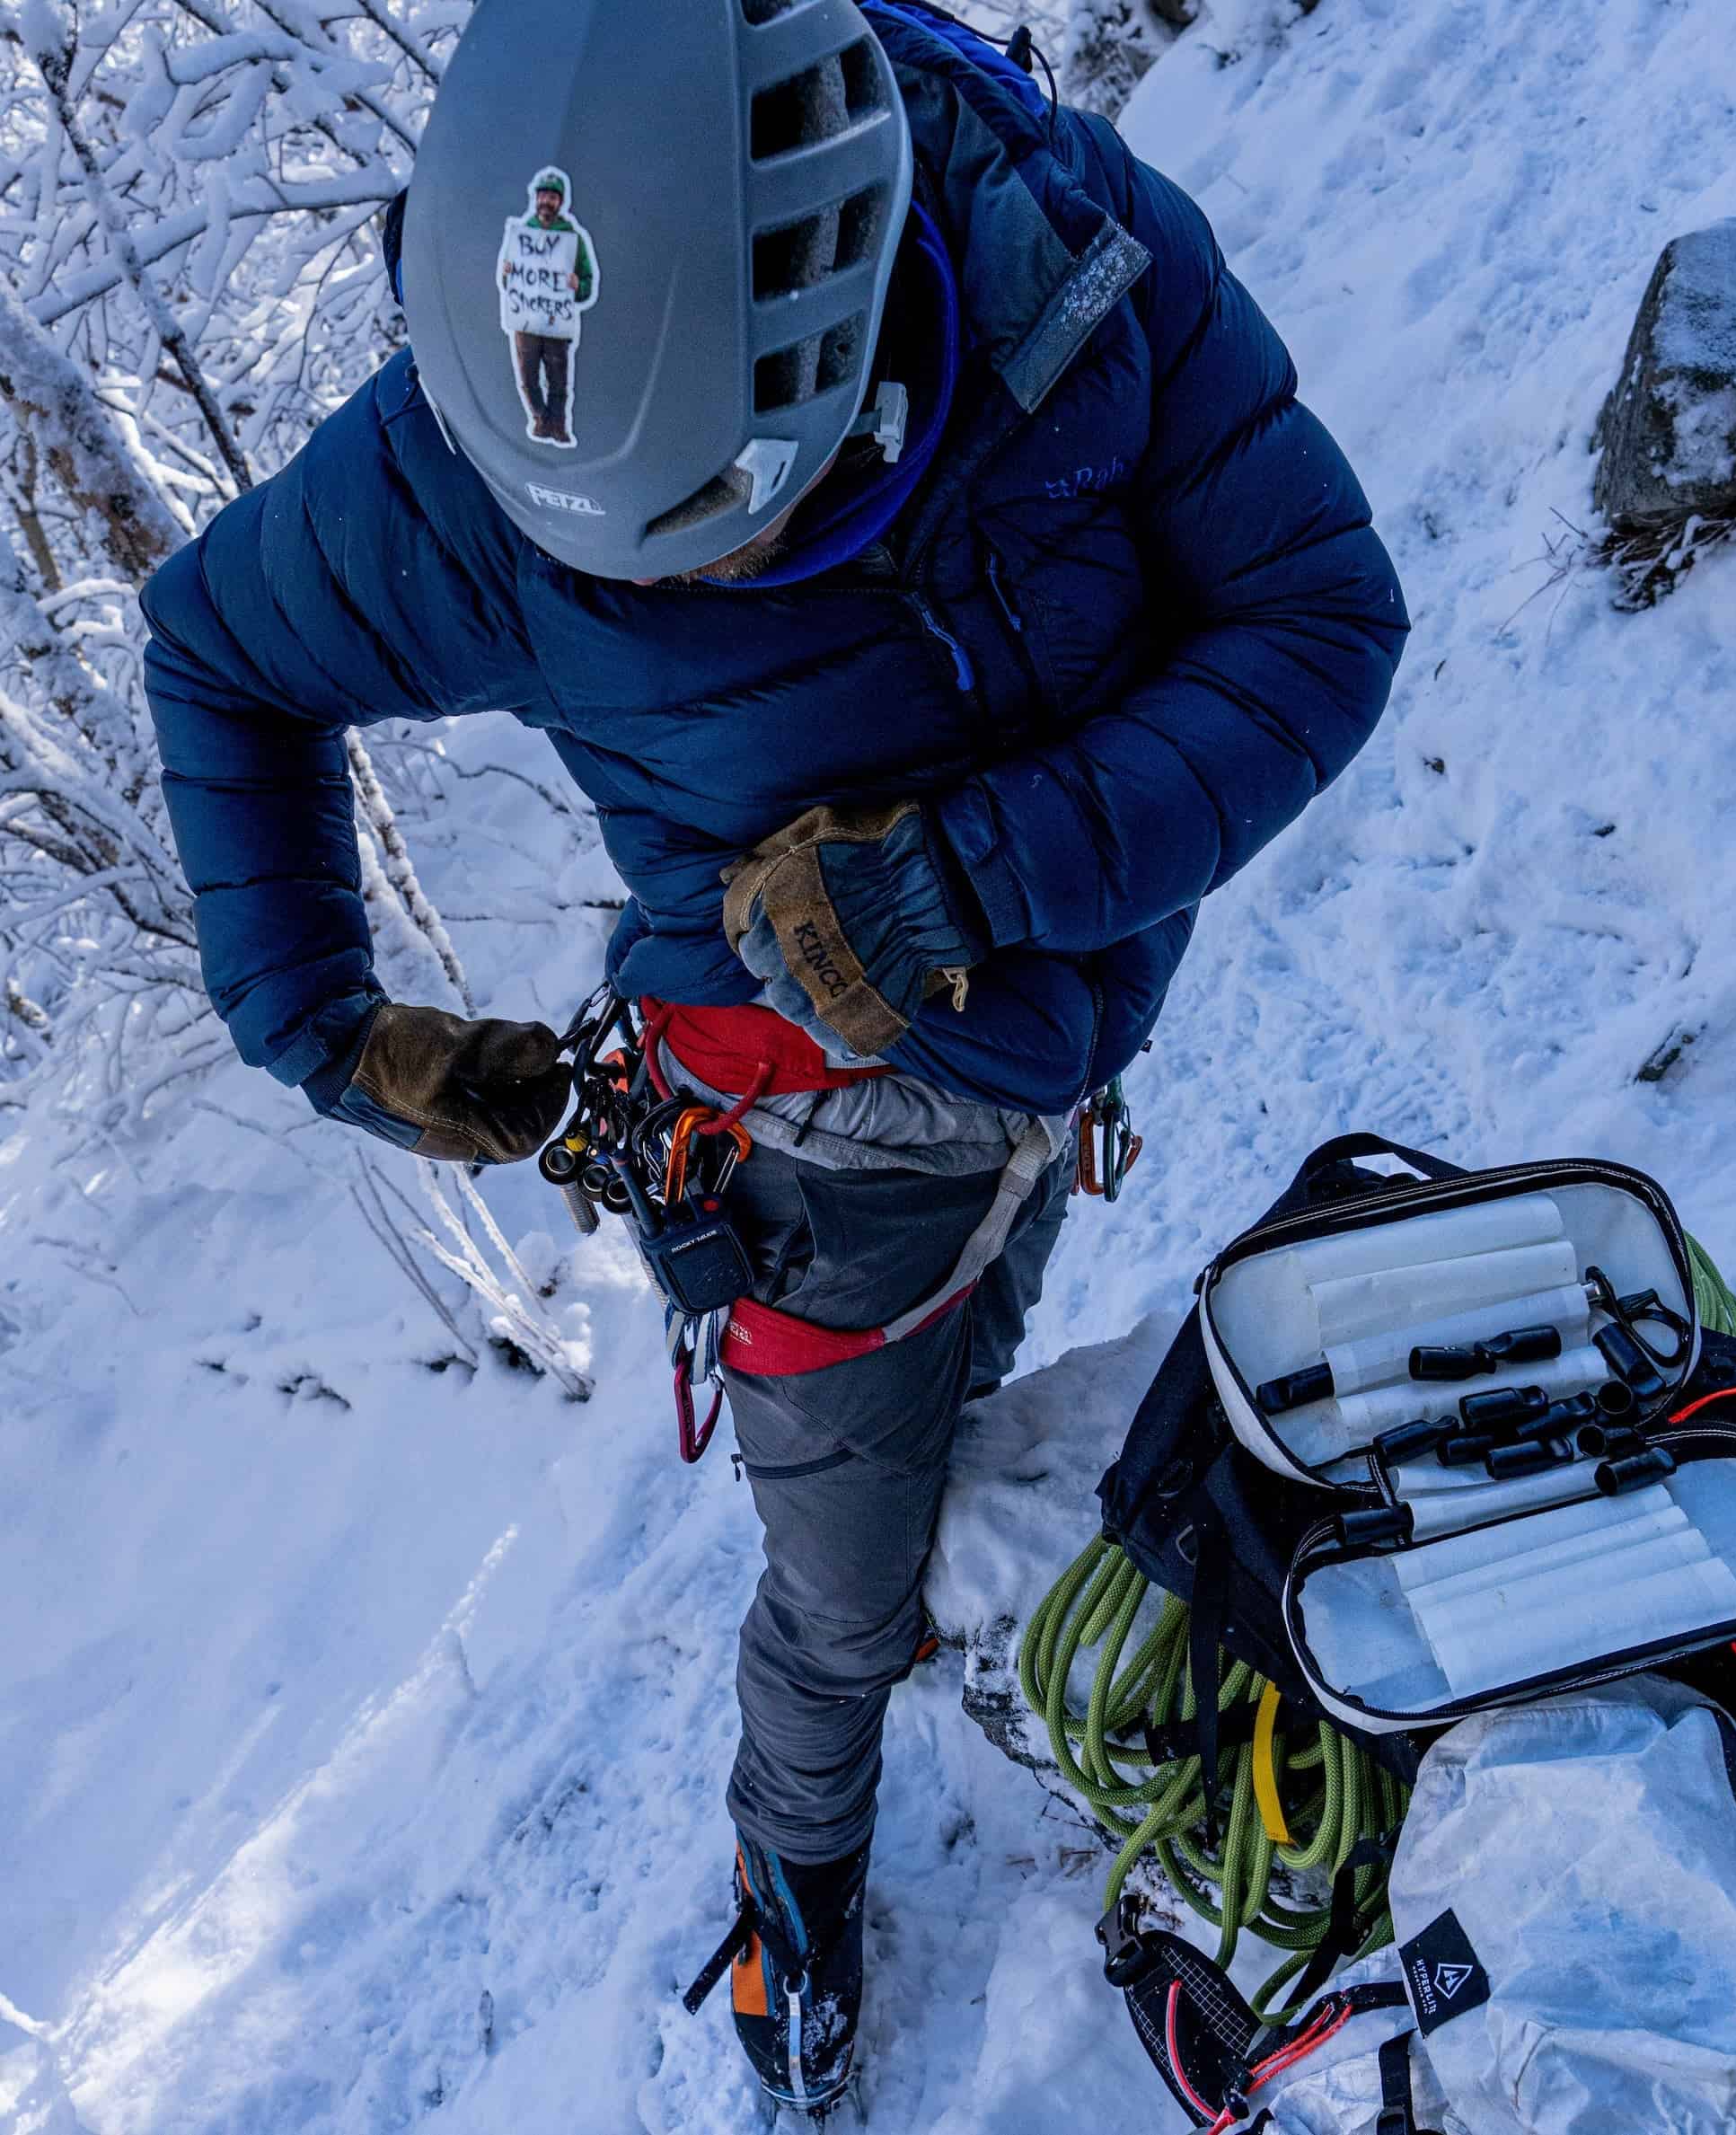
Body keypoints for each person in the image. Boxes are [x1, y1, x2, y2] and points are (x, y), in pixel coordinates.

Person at [141, 0, 1406, 2112]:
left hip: (1030, 1008)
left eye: (721, 510)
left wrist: (979, 878)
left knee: (947, 1390)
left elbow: (1314, 616)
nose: (684, 573)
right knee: (841, 1587)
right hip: (793, 1115)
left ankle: (929, 1480)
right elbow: (216, 651)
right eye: (621, 549)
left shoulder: (1071, 272)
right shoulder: (473, 462)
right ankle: (797, 1860)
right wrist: (328, 1024)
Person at [498, 166, 599, 445]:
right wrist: (507, 272)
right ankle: (541, 420)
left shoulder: (573, 238)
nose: (547, 201)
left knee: (559, 381)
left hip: (556, 323)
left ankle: (559, 426)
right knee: (528, 378)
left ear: (561, 201)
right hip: (526, 320)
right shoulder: (522, 234)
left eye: (552, 197)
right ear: (536, 198)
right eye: (543, 195)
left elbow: (588, 282)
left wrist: (578, 286)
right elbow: (509, 282)